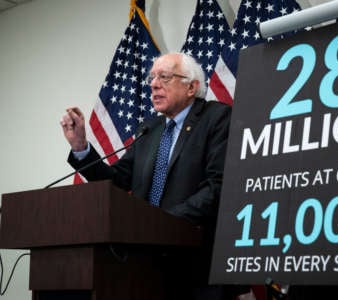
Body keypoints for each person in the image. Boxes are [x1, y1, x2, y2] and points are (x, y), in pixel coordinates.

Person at [60, 52, 247, 299]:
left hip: (196, 266)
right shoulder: (150, 128)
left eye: (164, 77)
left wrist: (160, 221)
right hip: (145, 265)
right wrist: (81, 147)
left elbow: (218, 187)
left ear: (191, 87)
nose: (154, 84)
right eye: (152, 77)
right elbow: (116, 181)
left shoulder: (217, 118)